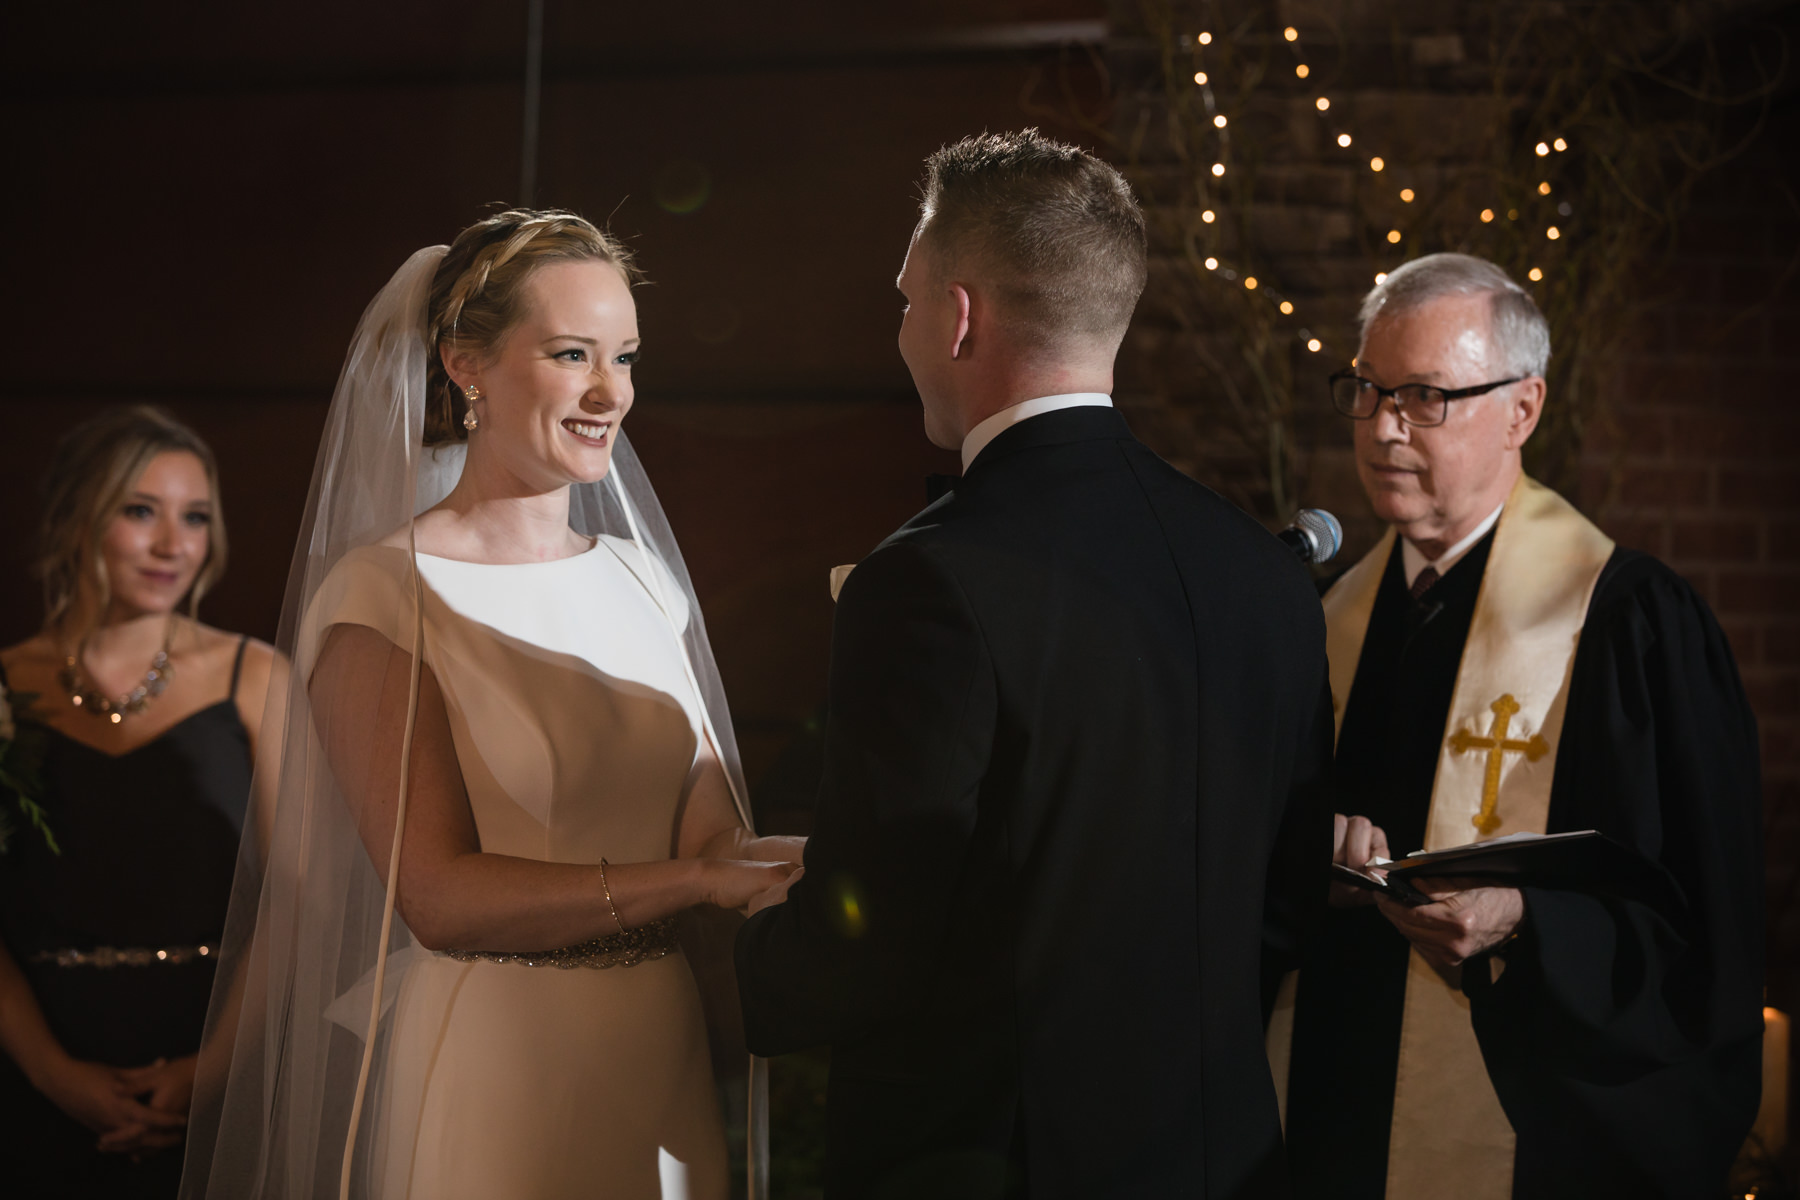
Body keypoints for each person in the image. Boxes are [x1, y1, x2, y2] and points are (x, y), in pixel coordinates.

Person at [733, 130, 1336, 1199]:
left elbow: (881, 924)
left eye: (908, 300)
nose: (904, 330)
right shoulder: (1267, 576)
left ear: (959, 316)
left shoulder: (925, 581)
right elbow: (1283, 904)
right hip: (1221, 1160)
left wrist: (734, 975)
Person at [178, 210, 802, 1200]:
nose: (611, 393)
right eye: (571, 355)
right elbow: (437, 896)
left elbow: (715, 836)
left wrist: (820, 864)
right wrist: (689, 884)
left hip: (659, 1047)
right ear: (466, 363)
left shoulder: (646, 581)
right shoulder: (385, 593)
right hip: (500, 1055)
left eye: (626, 358)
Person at [1269, 253, 1764, 1199]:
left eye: (1423, 396)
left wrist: (1527, 922)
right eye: (1368, 390)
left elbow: (1704, 932)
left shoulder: (1628, 624)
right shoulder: (1322, 620)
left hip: (1530, 1142)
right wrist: (1304, 861)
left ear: (1522, 410)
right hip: (1328, 1113)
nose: (1382, 428)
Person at [0, 406, 277, 1199]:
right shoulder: (7, 687)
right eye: (139, 511)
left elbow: (305, 901)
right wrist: (55, 1077)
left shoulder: (256, 679)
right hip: (38, 1069)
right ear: (75, 517)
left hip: (216, 1056)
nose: (173, 545)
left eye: (194, 517)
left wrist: (211, 1072)